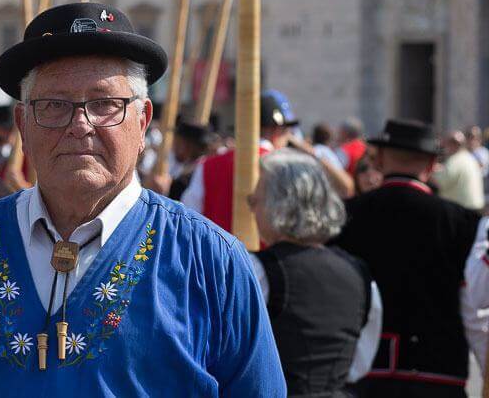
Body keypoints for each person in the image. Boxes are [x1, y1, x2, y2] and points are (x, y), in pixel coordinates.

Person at [0, 3, 285, 396]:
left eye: (104, 104)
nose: (80, 125)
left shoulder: (211, 259)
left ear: (143, 121)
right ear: (22, 126)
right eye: (53, 106)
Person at [334, 119, 489, 398]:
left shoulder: (345, 216)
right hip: (438, 372)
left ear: (379, 160)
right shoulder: (465, 224)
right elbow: (475, 309)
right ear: (431, 166)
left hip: (363, 371)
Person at [247, 149, 382, 396]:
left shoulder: (259, 271)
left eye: (255, 201)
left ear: (279, 204)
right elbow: (359, 364)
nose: (252, 210)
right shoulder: (359, 273)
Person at [181, 89, 298, 231]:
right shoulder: (282, 165)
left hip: (213, 251)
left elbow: (188, 217)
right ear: (278, 130)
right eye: (288, 133)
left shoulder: (207, 165)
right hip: (267, 252)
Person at [145, 119, 212, 200]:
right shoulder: (171, 159)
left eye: (177, 140)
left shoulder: (196, 173)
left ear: (189, 145)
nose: (174, 144)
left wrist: (167, 189)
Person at [433, 130, 484, 211]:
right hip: (474, 208)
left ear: (453, 144)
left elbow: (439, 182)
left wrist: (431, 170)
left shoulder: (456, 160)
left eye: (447, 143)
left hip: (463, 209)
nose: (444, 147)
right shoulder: (468, 157)